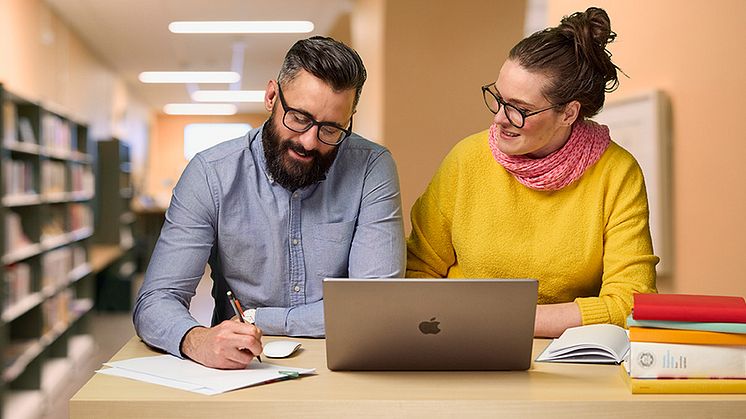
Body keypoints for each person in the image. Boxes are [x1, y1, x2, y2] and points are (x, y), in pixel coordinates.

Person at [134, 36, 405, 369]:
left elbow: (375, 307)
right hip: (241, 368)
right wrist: (196, 339)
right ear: (272, 96)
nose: (309, 141)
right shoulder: (210, 174)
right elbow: (155, 301)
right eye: (300, 118)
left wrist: (260, 317)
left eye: (331, 129)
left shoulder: (371, 168)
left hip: (343, 363)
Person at [406, 8, 658, 338]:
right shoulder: (465, 160)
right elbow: (417, 272)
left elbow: (631, 303)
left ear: (569, 113)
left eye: (520, 110)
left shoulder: (617, 173)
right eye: (498, 98)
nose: (499, 118)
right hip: (460, 345)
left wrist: (502, 320)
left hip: (567, 361)